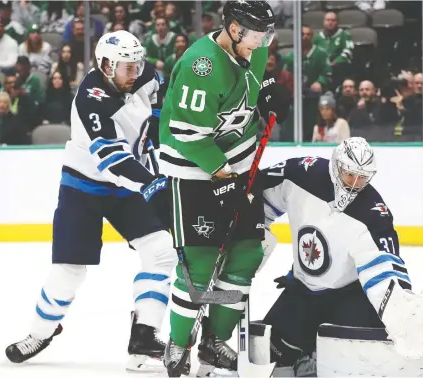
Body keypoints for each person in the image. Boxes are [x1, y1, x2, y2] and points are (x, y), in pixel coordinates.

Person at [251, 137, 423, 377]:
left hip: (348, 297)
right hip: (302, 290)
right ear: (335, 166)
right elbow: (259, 193)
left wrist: (404, 311)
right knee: (270, 349)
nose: (354, 184)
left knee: (376, 347)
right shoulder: (301, 173)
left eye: (362, 178)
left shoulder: (373, 214)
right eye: (350, 174)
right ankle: (305, 355)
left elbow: (385, 274)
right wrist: (250, 232)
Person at [4, 30, 177, 372]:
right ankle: (41, 332)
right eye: (126, 67)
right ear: (105, 65)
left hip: (126, 189)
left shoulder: (143, 75)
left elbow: (159, 104)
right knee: (68, 271)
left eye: (136, 64)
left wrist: (156, 134)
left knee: (160, 249)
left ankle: (143, 335)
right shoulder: (91, 98)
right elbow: (111, 159)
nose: (134, 71)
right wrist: (153, 184)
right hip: (83, 188)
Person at [158, 1, 289, 376]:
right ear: (233, 28)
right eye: (255, 34)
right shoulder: (202, 66)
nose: (263, 42)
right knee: (199, 267)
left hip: (240, 167)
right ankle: (178, 342)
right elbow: (186, 136)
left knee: (246, 255)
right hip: (197, 171)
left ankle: (214, 342)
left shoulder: (255, 44)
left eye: (266, 35)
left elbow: (254, 81)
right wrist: (223, 178)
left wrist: (267, 90)